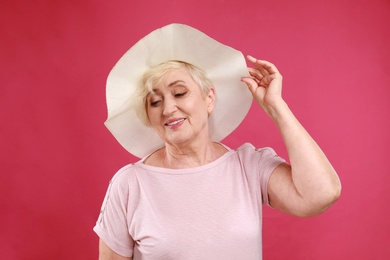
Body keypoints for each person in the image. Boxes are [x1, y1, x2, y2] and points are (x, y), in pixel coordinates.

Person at [93, 24, 341, 260]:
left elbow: (321, 195)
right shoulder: (129, 184)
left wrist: (277, 107)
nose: (168, 108)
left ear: (209, 98)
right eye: (155, 102)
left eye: (179, 93)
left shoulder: (248, 166)